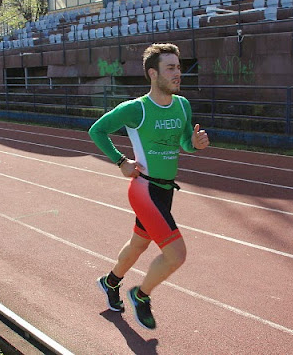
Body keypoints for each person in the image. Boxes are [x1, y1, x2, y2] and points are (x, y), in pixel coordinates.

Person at [89, 43, 209, 330]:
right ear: (153, 73)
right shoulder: (136, 109)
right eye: (171, 68)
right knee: (176, 255)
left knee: (138, 245)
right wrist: (121, 161)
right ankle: (141, 295)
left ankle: (110, 282)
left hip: (166, 191)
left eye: (179, 67)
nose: (178, 73)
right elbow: (97, 130)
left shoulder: (183, 105)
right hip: (144, 189)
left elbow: (181, 142)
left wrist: (193, 145)